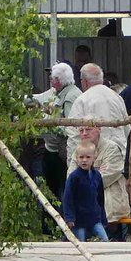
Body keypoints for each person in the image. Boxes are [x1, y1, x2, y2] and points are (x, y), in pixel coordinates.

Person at [72, 126, 129, 240]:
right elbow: (70, 178)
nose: (84, 133)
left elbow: (106, 177)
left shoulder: (111, 149)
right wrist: (96, 172)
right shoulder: (77, 151)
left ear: (99, 129)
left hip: (109, 207)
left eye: (88, 130)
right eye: (81, 131)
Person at [66, 62, 129, 163]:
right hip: (120, 155)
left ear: (85, 82)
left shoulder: (82, 100)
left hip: (95, 158)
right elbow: (127, 128)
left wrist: (72, 162)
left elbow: (73, 134)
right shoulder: (117, 97)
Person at [40, 62, 82, 200]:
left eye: (52, 77)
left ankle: (63, 219)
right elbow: (39, 98)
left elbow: (71, 127)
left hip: (63, 153)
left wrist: (47, 121)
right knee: (51, 191)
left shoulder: (71, 96)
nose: (50, 80)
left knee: (63, 191)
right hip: (52, 150)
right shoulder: (58, 92)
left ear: (59, 80)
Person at [62, 142, 108, 241]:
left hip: (94, 217)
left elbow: (100, 198)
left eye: (88, 157)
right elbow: (67, 198)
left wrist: (103, 217)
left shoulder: (97, 176)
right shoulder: (74, 177)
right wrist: (69, 218)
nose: (84, 160)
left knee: (105, 240)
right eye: (81, 157)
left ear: (94, 158)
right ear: (77, 158)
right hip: (79, 219)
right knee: (81, 242)